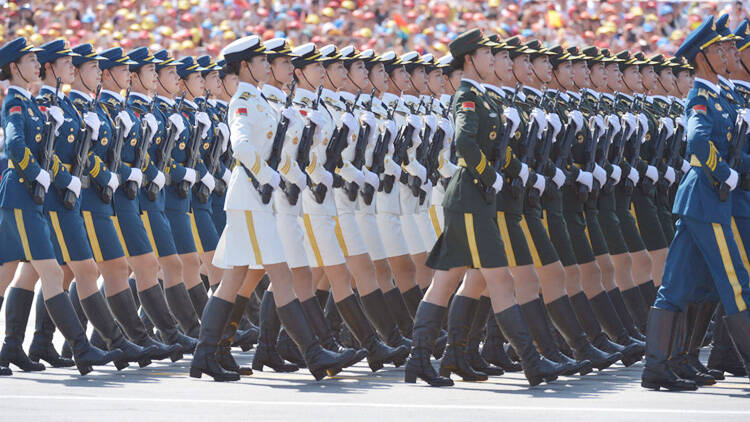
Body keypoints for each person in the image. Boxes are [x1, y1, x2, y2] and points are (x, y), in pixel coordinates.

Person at [404, 29, 567, 388]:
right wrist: (487, 174)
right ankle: (532, 363)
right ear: (469, 59)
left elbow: (497, 147)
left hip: (473, 197)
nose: (493, 59)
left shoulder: (485, 98)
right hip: (471, 196)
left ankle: (423, 359)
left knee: (446, 281)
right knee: (499, 280)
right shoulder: (466, 96)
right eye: (485, 54)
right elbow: (464, 141)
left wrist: (515, 170)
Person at [191, 35, 357, 382]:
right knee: (279, 274)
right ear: (244, 66)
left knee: (235, 278)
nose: (268, 65)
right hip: (251, 197)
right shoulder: (243, 101)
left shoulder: (261, 101)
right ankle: (313, 354)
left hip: (257, 199)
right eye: (261, 60)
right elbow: (240, 146)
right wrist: (270, 176)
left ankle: (207, 353)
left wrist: (284, 176)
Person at [0, 36, 122, 376]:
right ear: (14, 67)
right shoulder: (15, 102)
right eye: (29, 60)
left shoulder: (30, 102)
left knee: (10, 273)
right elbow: (14, 145)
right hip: (22, 192)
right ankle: (82, 349)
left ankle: (11, 346)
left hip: (29, 194)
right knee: (50, 271)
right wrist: (39, 173)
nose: (37, 64)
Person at [642, 16, 750, 391]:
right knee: (737, 283)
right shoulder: (700, 96)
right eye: (720, 49)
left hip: (702, 201)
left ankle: (660, 365)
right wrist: (728, 176)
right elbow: (698, 144)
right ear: (702, 57)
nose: (728, 53)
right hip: (708, 198)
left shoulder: (722, 95)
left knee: (677, 286)